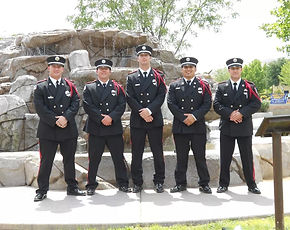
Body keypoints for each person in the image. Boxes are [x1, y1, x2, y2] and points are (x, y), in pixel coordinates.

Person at [33, 55, 85, 202]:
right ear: (48, 68)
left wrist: (65, 118)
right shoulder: (40, 87)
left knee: (69, 159)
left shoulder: (70, 86)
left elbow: (75, 103)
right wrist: (55, 120)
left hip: (67, 128)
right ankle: (42, 190)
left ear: (63, 69)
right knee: (46, 161)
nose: (56, 68)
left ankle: (72, 187)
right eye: (53, 66)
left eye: (59, 66)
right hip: (48, 129)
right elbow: (39, 107)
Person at [213, 58, 261, 194]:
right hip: (227, 127)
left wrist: (241, 114)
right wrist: (231, 114)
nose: (235, 71)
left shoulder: (249, 87)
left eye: (237, 68)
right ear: (229, 70)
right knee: (225, 157)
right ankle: (223, 184)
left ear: (241, 70)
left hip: (244, 127)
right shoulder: (222, 87)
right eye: (232, 68)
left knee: (247, 158)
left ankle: (252, 185)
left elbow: (256, 103)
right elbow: (217, 105)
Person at [83, 58, 131, 195]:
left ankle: (123, 183)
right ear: (97, 71)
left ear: (110, 71)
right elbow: (87, 105)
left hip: (113, 127)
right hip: (96, 127)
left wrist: (111, 117)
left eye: (106, 69)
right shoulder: (89, 87)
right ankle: (91, 185)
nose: (103, 71)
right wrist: (101, 118)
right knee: (93, 159)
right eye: (101, 69)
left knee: (118, 158)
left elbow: (122, 105)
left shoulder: (117, 87)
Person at [167, 57, 212, 194]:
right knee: (181, 157)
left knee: (200, 157)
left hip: (197, 126)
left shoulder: (203, 85)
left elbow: (207, 104)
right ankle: (180, 183)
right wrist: (183, 117)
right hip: (181, 127)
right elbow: (171, 104)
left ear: (195, 69)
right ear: (182, 69)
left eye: (190, 67)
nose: (188, 69)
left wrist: (194, 116)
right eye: (185, 67)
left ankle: (204, 184)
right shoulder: (174, 86)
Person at [126, 45, 167, 193]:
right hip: (138, 120)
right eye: (141, 55)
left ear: (150, 57)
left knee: (158, 152)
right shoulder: (131, 77)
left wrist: (149, 110)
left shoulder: (159, 76)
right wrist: (142, 112)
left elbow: (161, 95)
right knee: (136, 153)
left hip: (154, 119)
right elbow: (129, 97)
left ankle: (159, 181)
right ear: (138, 58)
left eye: (146, 55)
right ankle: (137, 182)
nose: (144, 57)